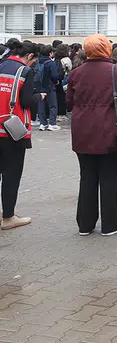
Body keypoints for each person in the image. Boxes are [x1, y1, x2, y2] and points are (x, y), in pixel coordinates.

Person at [67, 34, 117, 236]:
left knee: (87, 177)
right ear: (106, 49)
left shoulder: (76, 73)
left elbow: (68, 102)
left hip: (82, 131)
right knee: (109, 178)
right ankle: (109, 224)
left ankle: (85, 224)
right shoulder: (116, 71)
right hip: (109, 130)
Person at [0, 41, 42, 230]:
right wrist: (38, 97)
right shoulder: (25, 72)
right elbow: (25, 101)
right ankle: (8, 217)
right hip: (12, 130)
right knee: (11, 173)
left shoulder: (1, 65)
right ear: (30, 56)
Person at [35, 45, 60, 131]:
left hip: (39, 86)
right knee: (53, 105)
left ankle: (43, 123)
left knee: (41, 105)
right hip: (49, 85)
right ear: (50, 53)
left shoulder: (37, 61)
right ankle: (52, 123)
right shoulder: (51, 63)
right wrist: (56, 81)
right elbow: (54, 75)